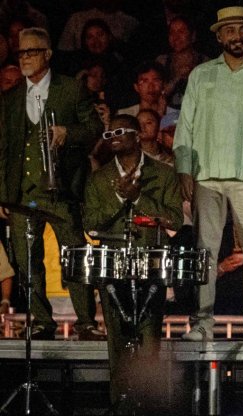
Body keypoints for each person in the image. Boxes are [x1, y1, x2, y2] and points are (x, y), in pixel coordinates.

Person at [174, 6, 243, 341]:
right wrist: (184, 168)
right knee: (205, 251)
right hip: (206, 174)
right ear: (219, 35)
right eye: (230, 30)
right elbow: (186, 126)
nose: (237, 36)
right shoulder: (201, 74)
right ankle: (202, 323)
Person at [0, 27, 104, 341]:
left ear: (47, 54)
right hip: (24, 193)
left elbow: (95, 127)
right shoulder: (11, 98)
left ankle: (86, 322)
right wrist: (4, 195)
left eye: (31, 52)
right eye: (21, 53)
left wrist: (67, 133)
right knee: (27, 263)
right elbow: (4, 150)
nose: (25, 58)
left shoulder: (70, 89)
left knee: (74, 255)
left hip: (61, 190)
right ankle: (42, 322)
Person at [83, 114, 182, 409]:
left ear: (138, 135)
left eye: (121, 131)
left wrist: (139, 197)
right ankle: (120, 407)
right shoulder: (99, 179)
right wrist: (118, 196)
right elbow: (90, 224)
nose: (113, 136)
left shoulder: (163, 174)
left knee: (149, 340)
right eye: (109, 132)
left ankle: (148, 406)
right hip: (113, 267)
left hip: (150, 265)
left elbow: (175, 220)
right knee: (117, 342)